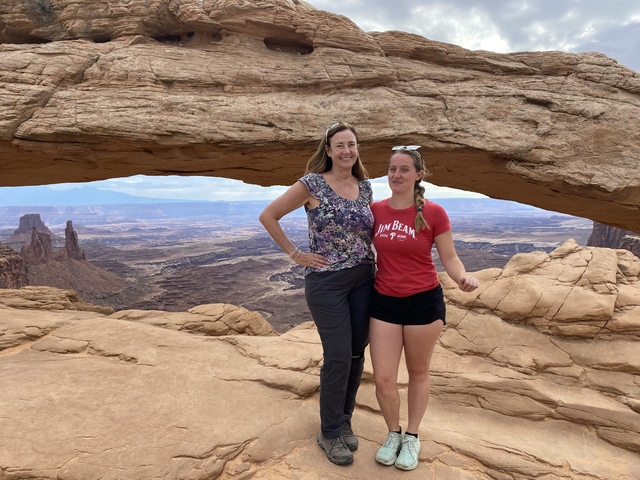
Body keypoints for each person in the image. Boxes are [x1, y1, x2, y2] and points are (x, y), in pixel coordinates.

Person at [259, 122, 375, 466]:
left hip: (364, 278)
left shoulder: (365, 187)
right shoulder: (311, 184)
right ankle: (328, 432)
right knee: (338, 355)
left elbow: (369, 233)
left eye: (351, 144)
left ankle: (344, 420)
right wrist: (295, 254)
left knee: (356, 354)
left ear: (357, 149)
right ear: (327, 150)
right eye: (339, 145)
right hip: (326, 283)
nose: (346, 151)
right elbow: (269, 215)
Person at [369, 145, 480, 471]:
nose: (396, 175)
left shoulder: (434, 213)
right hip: (384, 301)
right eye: (392, 169)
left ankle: (412, 437)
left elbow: (449, 257)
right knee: (384, 379)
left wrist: (461, 278)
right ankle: (393, 433)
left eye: (404, 169)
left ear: (418, 175)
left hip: (423, 302)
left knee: (418, 373)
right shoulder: (376, 210)